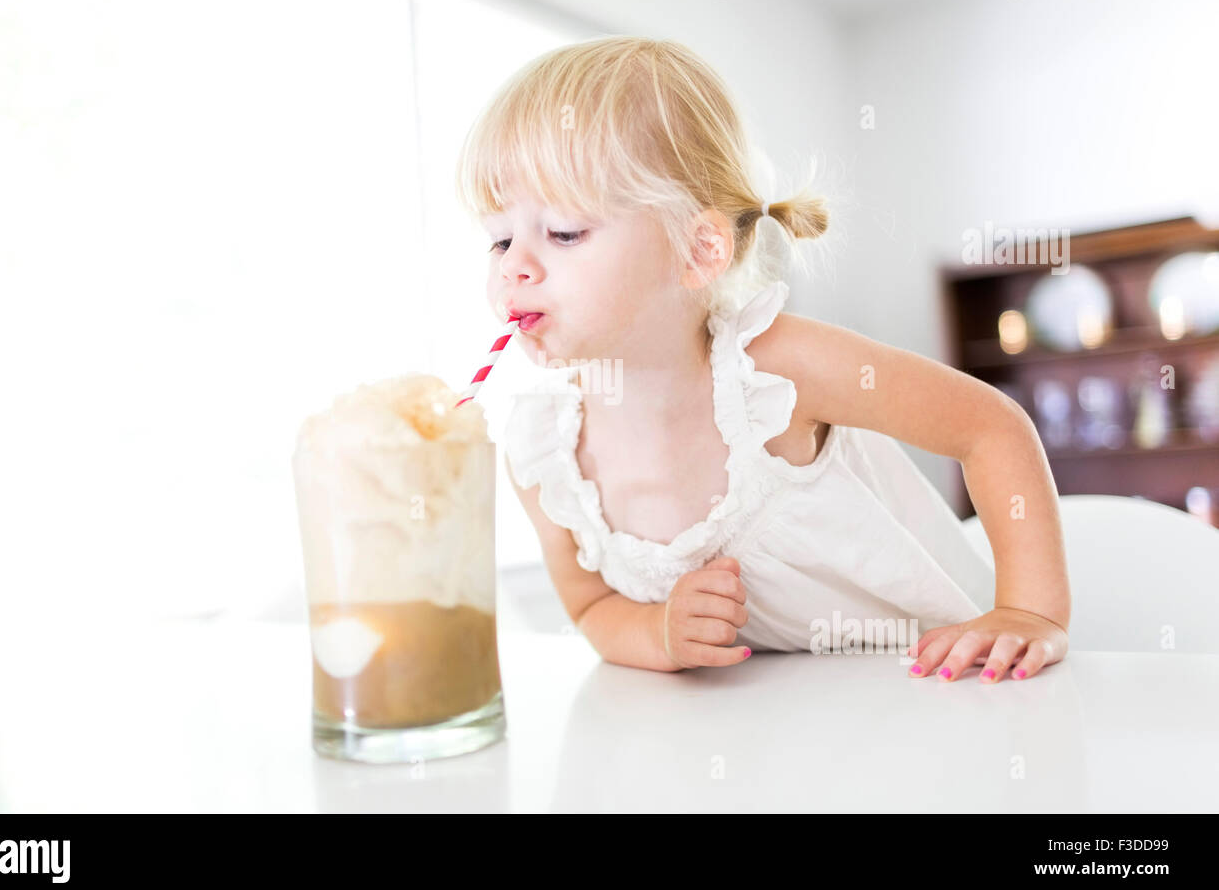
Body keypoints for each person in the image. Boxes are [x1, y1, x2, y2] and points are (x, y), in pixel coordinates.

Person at [456, 36, 1070, 681]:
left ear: (697, 251)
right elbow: (592, 609)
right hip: (782, 750)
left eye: (563, 232)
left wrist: (1031, 612)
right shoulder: (543, 455)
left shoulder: (775, 372)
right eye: (499, 240)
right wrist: (658, 632)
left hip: (953, 693)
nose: (514, 268)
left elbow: (990, 426)